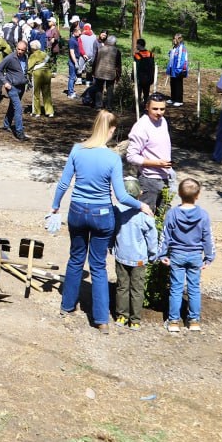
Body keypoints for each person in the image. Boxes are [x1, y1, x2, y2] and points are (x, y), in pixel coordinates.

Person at [47, 110, 150, 332]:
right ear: (111, 130)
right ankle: (101, 319)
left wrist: (55, 206)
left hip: (76, 211)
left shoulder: (77, 150)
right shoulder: (113, 158)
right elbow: (121, 196)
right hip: (102, 215)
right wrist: (141, 205)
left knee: (75, 259)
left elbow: (64, 183)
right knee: (98, 266)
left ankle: (67, 305)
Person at [159, 178, 215, 332]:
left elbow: (165, 236)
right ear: (198, 195)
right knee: (194, 288)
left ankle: (174, 322)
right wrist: (209, 257)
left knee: (176, 288)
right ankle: (194, 321)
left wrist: (162, 254)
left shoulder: (172, 213)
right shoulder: (203, 215)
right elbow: (208, 238)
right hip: (195, 256)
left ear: (179, 194)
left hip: (177, 255)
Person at [113, 202, 158, 330]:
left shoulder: (118, 210)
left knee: (122, 287)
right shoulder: (145, 214)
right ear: (140, 193)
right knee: (137, 289)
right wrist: (153, 254)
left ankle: (121, 316)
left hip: (121, 255)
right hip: (139, 259)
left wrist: (111, 246)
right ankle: (135, 320)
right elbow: (152, 237)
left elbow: (112, 229)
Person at [127, 94, 173, 210]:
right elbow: (131, 156)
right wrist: (157, 163)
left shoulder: (163, 121)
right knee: (147, 218)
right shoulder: (141, 127)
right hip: (148, 180)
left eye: (162, 109)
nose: (159, 112)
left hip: (165, 178)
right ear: (147, 107)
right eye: (155, 109)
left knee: (163, 217)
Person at [0, 40, 30, 141]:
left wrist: (27, 81)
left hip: (21, 86)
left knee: (13, 106)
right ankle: (19, 132)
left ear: (25, 50)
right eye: (18, 49)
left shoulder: (25, 57)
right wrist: (5, 82)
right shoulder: (10, 57)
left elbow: (24, 71)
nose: (19, 51)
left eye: (22, 50)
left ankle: (6, 124)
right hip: (12, 87)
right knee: (18, 108)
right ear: (16, 48)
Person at [28, 41, 54, 117]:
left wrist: (28, 75)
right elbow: (50, 64)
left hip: (37, 75)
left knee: (36, 94)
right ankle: (50, 112)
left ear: (32, 48)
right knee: (47, 93)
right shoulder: (45, 54)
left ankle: (36, 112)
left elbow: (29, 67)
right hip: (47, 74)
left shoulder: (33, 55)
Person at [165, 33, 189, 106]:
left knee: (178, 84)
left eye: (175, 39)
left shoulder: (182, 48)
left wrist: (178, 69)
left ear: (179, 39)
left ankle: (179, 100)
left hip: (178, 69)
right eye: (173, 39)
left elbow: (181, 59)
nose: (173, 40)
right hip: (172, 68)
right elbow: (172, 57)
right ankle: (173, 98)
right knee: (173, 83)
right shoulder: (174, 47)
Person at [132, 38, 155, 109]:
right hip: (149, 77)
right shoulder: (151, 54)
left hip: (140, 78)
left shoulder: (137, 55)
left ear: (139, 45)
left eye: (137, 44)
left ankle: (137, 107)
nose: (136, 46)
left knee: (138, 93)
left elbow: (135, 67)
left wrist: (133, 76)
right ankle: (147, 106)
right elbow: (152, 66)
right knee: (146, 93)